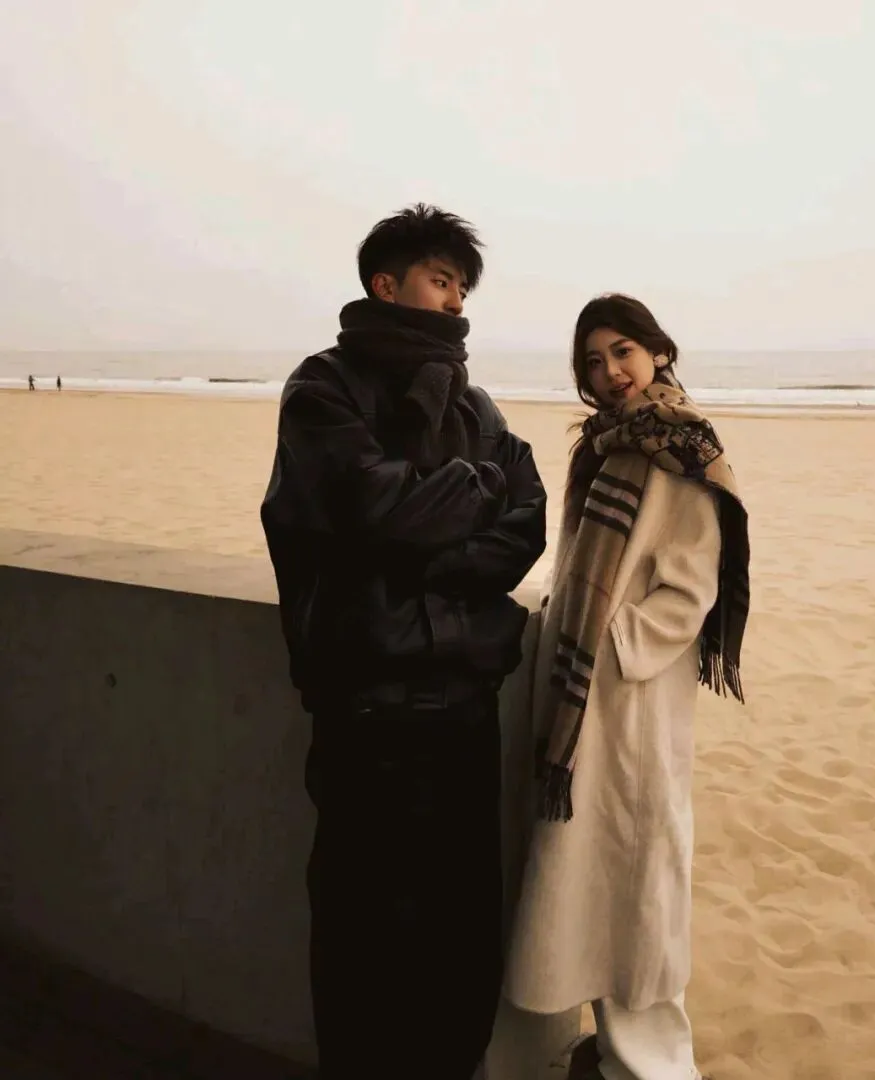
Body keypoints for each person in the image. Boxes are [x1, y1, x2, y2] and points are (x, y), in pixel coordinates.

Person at [260, 204, 547, 1079]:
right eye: (440, 279)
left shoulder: (477, 404)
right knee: (363, 925)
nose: (456, 300)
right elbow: (370, 505)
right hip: (366, 709)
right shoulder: (324, 388)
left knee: (461, 924)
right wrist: (473, 492)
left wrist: (434, 549)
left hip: (464, 706)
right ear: (386, 285)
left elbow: (528, 518)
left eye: (463, 286)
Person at [503, 294, 751, 1080]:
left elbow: (691, 589)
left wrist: (613, 648)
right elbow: (579, 558)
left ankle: (656, 1064)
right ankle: (616, 1050)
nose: (610, 371)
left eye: (622, 352)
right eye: (593, 360)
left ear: (657, 351)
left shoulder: (682, 444)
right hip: (585, 698)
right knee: (594, 874)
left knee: (640, 874)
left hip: (631, 698)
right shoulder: (606, 446)